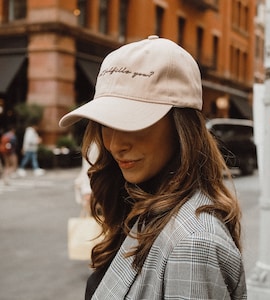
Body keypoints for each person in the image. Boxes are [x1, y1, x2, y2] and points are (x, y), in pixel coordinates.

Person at [59, 35, 247, 299]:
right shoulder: (141, 202)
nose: (114, 144)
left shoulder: (192, 244)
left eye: (131, 121)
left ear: (181, 127)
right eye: (104, 123)